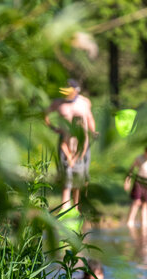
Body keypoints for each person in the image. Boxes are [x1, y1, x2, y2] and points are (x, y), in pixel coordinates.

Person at [44, 79, 97, 211]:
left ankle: (79, 205)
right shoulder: (58, 103)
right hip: (66, 141)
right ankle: (65, 206)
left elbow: (90, 118)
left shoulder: (84, 102)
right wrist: (53, 128)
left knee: (82, 174)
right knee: (66, 173)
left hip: (82, 141)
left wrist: (93, 131)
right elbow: (45, 114)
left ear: (76, 91)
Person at [124, 144, 147, 229]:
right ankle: (130, 221)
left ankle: (144, 222)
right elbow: (131, 169)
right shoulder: (139, 158)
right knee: (137, 201)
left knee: (146, 203)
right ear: (146, 151)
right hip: (139, 181)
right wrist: (127, 181)